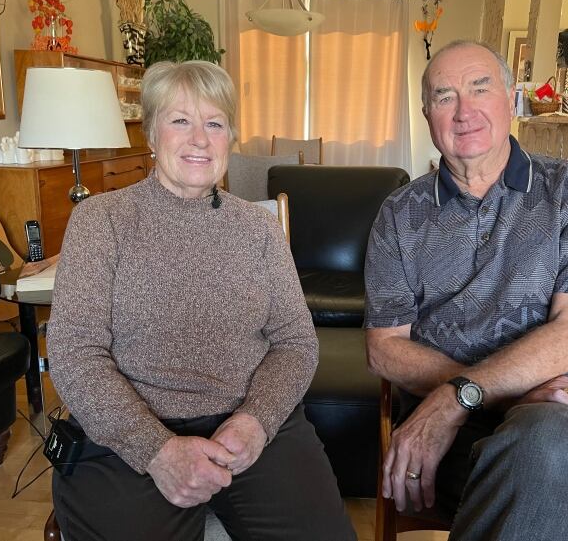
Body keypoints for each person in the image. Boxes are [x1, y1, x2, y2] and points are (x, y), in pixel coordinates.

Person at [47, 60, 356, 541]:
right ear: (151, 134)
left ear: (229, 137)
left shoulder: (258, 228)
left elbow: (296, 341)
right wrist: (156, 449)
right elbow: (73, 355)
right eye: (180, 121)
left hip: (250, 429)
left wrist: (257, 420)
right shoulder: (100, 220)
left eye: (214, 123)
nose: (199, 139)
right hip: (130, 436)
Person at [364, 40, 568, 541]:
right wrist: (494, 395)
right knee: (528, 471)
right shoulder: (399, 214)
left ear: (512, 97)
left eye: (480, 89)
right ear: (426, 114)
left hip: (562, 409)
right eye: (444, 96)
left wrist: (457, 397)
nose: (464, 111)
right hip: (449, 428)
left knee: (540, 449)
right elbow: (384, 350)